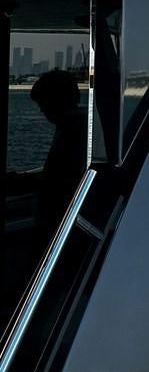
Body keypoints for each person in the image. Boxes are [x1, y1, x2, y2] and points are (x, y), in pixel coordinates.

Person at [30, 69, 88, 243]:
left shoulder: (72, 129)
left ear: (55, 101)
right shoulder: (79, 124)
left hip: (60, 226)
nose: (41, 110)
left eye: (43, 103)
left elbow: (60, 180)